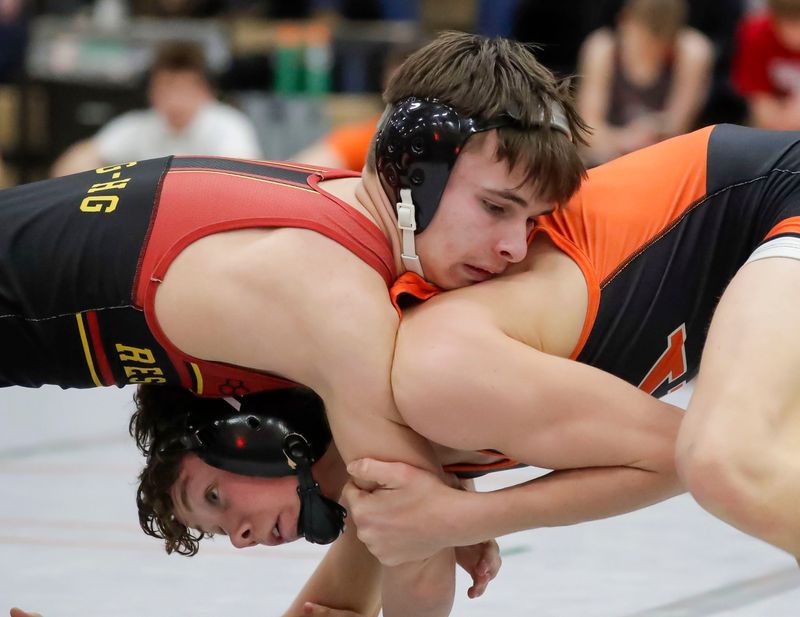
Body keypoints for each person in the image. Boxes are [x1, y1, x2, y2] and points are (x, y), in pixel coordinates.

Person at [0, 32, 589, 616]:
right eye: (495, 208)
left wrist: (448, 496)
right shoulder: (332, 293)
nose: (516, 248)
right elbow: (412, 542)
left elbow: (385, 504)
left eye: (531, 220)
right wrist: (448, 505)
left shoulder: (335, 215)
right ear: (413, 177)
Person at [337, 122, 800, 567]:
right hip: (757, 220)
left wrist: (457, 520)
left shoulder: (438, 366)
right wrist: (447, 519)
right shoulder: (403, 433)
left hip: (779, 191)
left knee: (730, 459)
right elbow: (374, 558)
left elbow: (675, 453)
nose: (515, 248)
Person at [50, 41, 262, 177]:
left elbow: (244, 178)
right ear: (152, 93)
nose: (176, 99)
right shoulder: (139, 125)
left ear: (207, 92)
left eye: (185, 89)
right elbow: (73, 164)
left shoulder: (229, 125)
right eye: (166, 88)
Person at [576, 0, 713, 164]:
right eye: (644, 43)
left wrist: (656, 127)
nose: (652, 52)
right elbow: (587, 130)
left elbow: (678, 128)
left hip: (663, 159)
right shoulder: (602, 48)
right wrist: (626, 139)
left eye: (661, 44)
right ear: (624, 21)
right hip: (608, 158)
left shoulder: (692, 51)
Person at [731, 0, 800, 129]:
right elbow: (759, 100)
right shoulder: (755, 34)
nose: (797, 34)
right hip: (777, 117)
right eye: (790, 24)